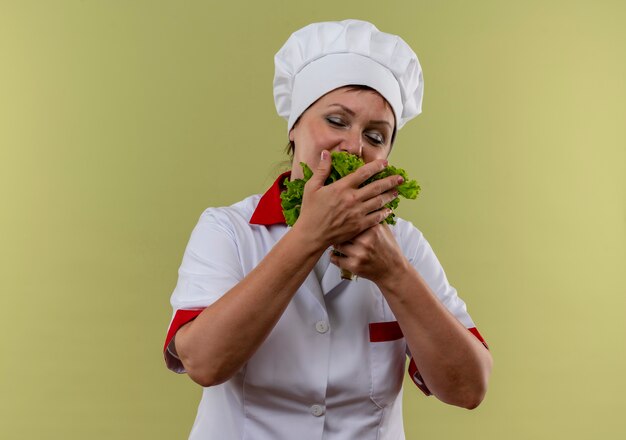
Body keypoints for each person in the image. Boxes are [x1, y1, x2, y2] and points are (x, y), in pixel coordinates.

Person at [163, 19, 492, 440]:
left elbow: (468, 388)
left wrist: (396, 275)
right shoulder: (228, 230)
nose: (354, 146)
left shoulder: (404, 244)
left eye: (376, 135)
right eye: (337, 121)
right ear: (294, 127)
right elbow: (204, 364)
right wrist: (309, 236)